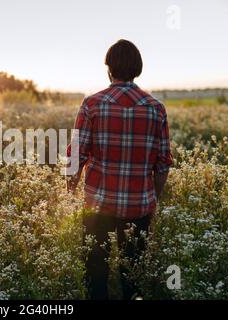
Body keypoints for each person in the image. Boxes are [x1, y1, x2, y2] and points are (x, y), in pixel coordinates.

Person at [66, 39, 173, 300]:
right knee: (133, 275)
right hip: (139, 207)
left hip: (97, 206)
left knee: (95, 272)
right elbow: (162, 165)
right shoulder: (156, 108)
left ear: (108, 69)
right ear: (138, 69)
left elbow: (76, 154)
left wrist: (70, 188)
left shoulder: (92, 104)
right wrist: (152, 201)